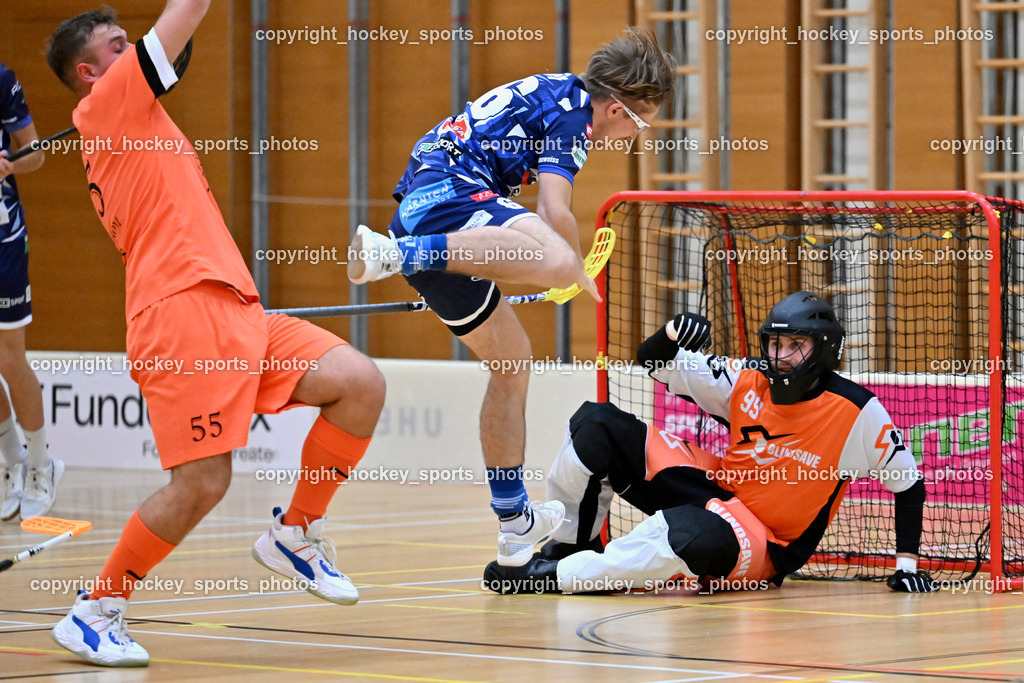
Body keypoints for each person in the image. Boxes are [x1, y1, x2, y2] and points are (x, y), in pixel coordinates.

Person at [44, 1, 385, 667]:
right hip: (179, 315)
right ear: (90, 72)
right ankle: (93, 611)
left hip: (234, 309)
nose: (136, 47)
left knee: (359, 384)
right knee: (202, 483)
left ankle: (295, 532)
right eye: (119, 44)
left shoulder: (136, 114)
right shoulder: (110, 103)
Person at [347, 27, 676, 568]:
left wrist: (563, 269)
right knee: (557, 258)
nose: (633, 138)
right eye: (640, 125)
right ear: (616, 108)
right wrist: (577, 273)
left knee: (512, 360)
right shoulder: (574, 118)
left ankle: (514, 524)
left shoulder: (559, 94)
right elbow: (554, 211)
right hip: (450, 193)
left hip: (442, 215)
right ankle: (397, 255)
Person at [483, 292, 939, 595]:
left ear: (822, 350)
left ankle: (555, 578)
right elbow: (653, 361)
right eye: (775, 345)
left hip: (765, 541)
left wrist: (907, 566)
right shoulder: (747, 378)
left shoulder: (857, 411)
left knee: (685, 533)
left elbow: (908, 485)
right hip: (718, 491)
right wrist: (672, 334)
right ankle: (568, 546)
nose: (780, 357)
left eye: (795, 346)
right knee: (596, 422)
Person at [0, 63, 63, 523]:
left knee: (7, 355)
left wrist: (11, 163)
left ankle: (42, 464)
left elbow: (36, 153)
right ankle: (11, 461)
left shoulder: (2, 80)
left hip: (2, 240)